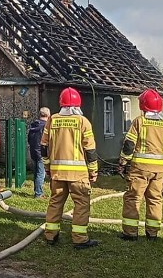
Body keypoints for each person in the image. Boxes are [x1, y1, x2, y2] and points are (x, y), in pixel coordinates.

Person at [41, 87, 99, 249]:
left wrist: (47, 167)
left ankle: (50, 236)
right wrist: (93, 172)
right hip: (78, 175)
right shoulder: (83, 122)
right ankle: (79, 239)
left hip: (57, 173)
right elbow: (90, 151)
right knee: (81, 205)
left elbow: (44, 147)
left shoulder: (52, 120)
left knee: (55, 203)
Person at [118, 89, 163, 241]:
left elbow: (129, 145)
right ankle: (152, 233)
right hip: (159, 170)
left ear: (143, 105)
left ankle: (130, 233)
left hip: (140, 169)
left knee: (133, 198)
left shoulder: (139, 121)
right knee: (155, 199)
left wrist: (123, 162)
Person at [28, 107, 51, 199]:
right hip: (41, 152)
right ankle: (38, 193)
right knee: (41, 173)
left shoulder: (33, 125)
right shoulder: (46, 126)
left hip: (33, 151)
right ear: (48, 115)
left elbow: (29, 139)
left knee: (36, 172)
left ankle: (37, 190)